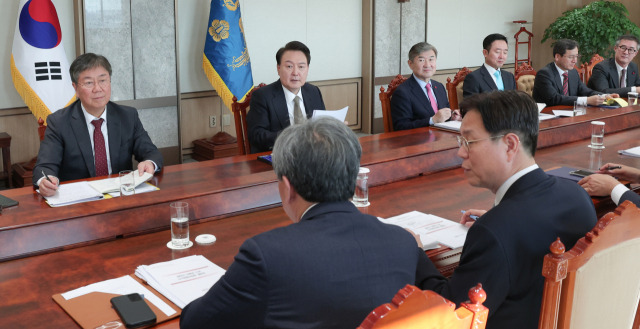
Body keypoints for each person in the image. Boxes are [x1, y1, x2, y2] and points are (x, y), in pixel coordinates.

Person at [180, 117, 432, 329]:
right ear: (354, 181)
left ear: (287, 187)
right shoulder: (402, 242)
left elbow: (197, 323)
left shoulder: (266, 255)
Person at [418, 90, 597, 329]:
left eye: (469, 142)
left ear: (510, 144)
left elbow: (450, 316)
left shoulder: (493, 231)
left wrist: (416, 254)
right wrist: (498, 216)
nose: (461, 152)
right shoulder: (577, 196)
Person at [33, 53, 162, 197]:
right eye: (89, 83)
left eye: (103, 80)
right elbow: (45, 166)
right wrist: (46, 180)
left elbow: (151, 152)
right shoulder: (59, 122)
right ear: (75, 88)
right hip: (79, 202)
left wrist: (149, 162)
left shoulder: (127, 116)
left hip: (120, 198)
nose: (98, 89)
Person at [247, 41, 325, 153]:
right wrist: (294, 137)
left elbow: (321, 125)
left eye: (301, 67)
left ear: (307, 68)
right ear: (278, 68)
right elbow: (257, 135)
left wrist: (333, 127)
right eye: (289, 66)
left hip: (313, 155)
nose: (295, 73)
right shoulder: (263, 96)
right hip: (280, 156)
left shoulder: (313, 91)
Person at [390, 42, 460, 131]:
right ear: (410, 64)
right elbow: (401, 126)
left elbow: (442, 117)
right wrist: (432, 120)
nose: (427, 65)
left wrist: (452, 116)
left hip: (442, 138)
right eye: (421, 60)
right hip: (419, 142)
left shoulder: (439, 87)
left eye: (431, 59)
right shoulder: (402, 92)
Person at [533, 39, 609, 106]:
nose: (575, 61)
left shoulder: (573, 73)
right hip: (548, 117)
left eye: (576, 56)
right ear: (557, 57)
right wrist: (587, 100)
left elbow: (585, 91)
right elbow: (554, 99)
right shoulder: (544, 74)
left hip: (570, 114)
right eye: (570, 57)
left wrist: (604, 96)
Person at [462, 33, 516, 98]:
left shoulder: (509, 77)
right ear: (485, 53)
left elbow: (515, 103)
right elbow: (471, 106)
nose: (502, 56)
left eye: (505, 52)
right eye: (497, 52)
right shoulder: (473, 78)